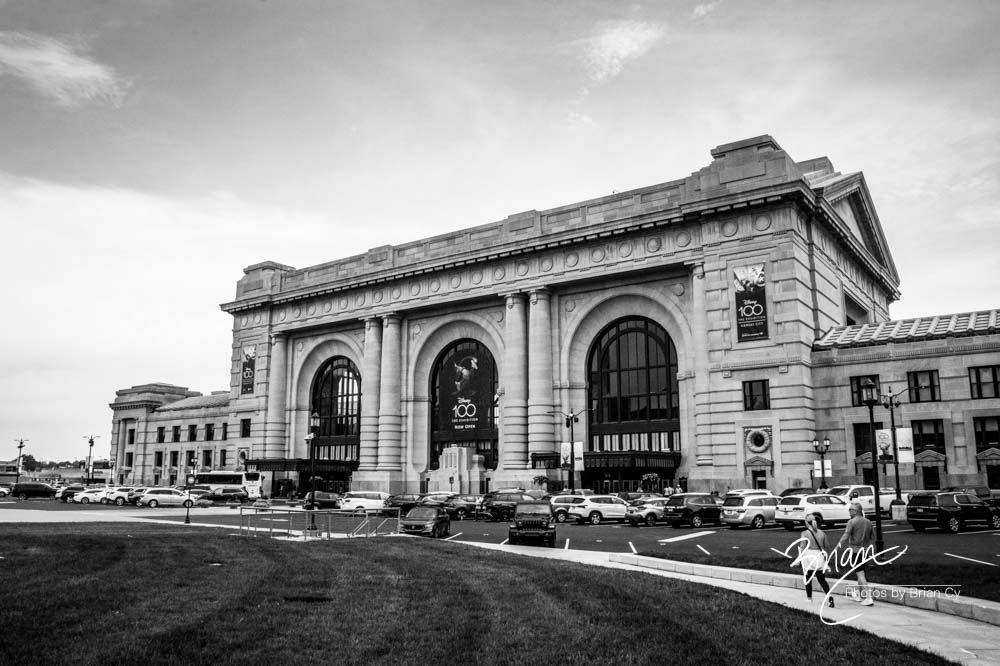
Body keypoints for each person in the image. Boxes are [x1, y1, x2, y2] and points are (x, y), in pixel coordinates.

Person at [837, 502, 876, 606]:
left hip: (855, 551)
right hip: (865, 551)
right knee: (861, 572)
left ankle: (868, 598)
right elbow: (873, 536)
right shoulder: (868, 522)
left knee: (860, 574)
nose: (849, 511)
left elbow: (846, 535)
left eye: (851, 510)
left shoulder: (851, 522)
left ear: (856, 511)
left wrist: (838, 546)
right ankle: (859, 595)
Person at [794, 514, 834, 607]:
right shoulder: (822, 533)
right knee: (822, 580)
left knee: (808, 578)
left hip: (808, 557)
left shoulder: (805, 533)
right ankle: (829, 598)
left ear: (807, 522)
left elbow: (802, 547)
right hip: (819, 556)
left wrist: (798, 560)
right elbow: (826, 545)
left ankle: (809, 598)